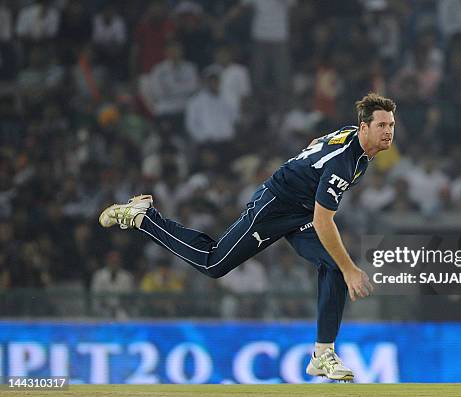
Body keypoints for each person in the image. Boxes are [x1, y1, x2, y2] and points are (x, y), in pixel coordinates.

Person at [99, 93, 396, 381]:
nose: (388, 131)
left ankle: (323, 355)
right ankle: (143, 217)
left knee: (331, 265)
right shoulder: (344, 163)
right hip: (274, 206)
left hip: (299, 212)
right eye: (381, 125)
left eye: (391, 125)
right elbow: (323, 220)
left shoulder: (354, 142)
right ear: (364, 127)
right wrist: (351, 269)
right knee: (214, 264)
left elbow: (316, 144)